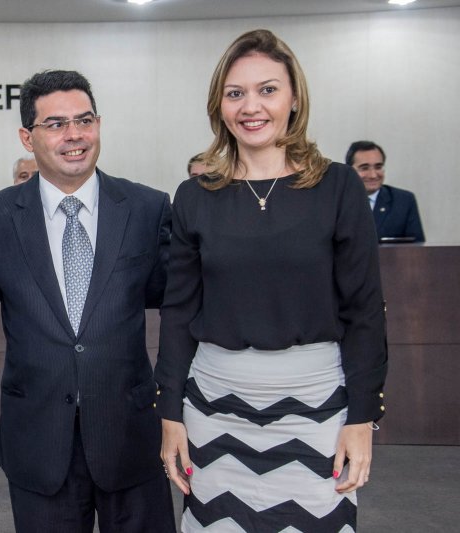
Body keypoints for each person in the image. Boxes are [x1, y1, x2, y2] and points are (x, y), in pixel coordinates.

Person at [154, 29, 388, 532]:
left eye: (267, 89)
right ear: (219, 104)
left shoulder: (337, 186)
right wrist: (170, 413)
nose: (250, 106)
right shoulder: (194, 196)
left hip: (318, 404)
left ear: (294, 97)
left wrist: (362, 417)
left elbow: (364, 311)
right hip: (215, 406)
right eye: (235, 93)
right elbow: (177, 315)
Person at [0, 70, 175, 533]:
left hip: (130, 436)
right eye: (56, 124)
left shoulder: (146, 208)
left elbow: (181, 300)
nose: (74, 135)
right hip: (38, 440)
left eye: (84, 120)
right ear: (27, 136)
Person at [345, 140, 425, 242]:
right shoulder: (335, 202)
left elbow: (417, 250)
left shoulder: (404, 201)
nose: (373, 175)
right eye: (364, 168)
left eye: (378, 167)